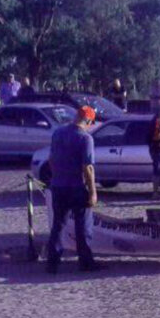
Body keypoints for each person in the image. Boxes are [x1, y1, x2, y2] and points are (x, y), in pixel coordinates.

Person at [46, 106, 100, 273]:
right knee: (82, 226)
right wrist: (93, 192)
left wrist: (56, 178)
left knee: (58, 225)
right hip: (77, 187)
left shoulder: (58, 133)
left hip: (58, 186)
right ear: (89, 121)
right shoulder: (85, 138)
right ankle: (85, 262)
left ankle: (52, 262)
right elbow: (88, 168)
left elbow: (51, 160)